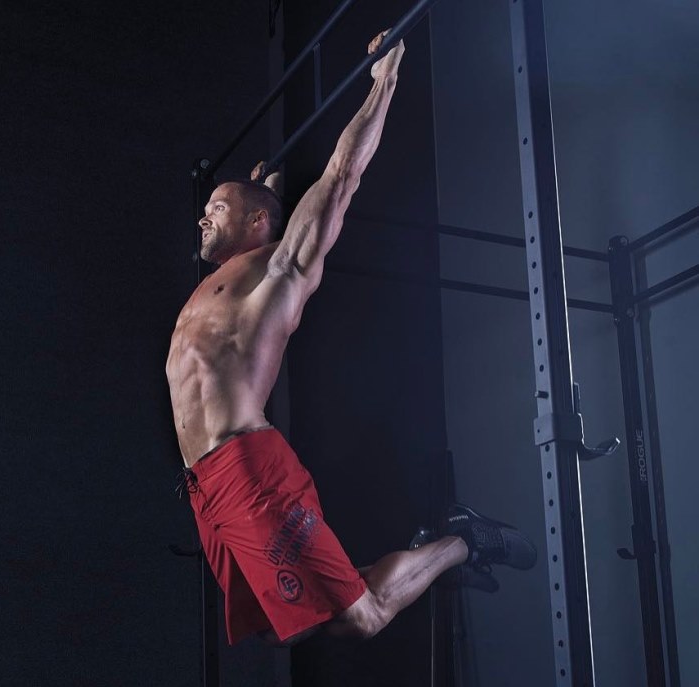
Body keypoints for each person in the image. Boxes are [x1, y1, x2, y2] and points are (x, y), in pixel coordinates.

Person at [166, 30, 536, 647]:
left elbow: (340, 179)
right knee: (293, 625)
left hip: (246, 468)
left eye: (218, 205)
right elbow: (270, 218)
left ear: (256, 222)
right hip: (206, 485)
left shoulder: (281, 274)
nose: (203, 214)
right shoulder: (222, 282)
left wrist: (382, 83)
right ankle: (433, 557)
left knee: (361, 617)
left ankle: (462, 542)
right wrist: (270, 193)